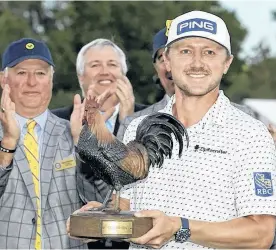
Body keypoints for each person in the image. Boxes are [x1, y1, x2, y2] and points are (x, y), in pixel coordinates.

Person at [113, 11, 276, 249]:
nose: (197, 63)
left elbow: (261, 233)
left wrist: (180, 226)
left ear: (227, 63)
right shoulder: (138, 127)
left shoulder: (251, 135)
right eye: (185, 51)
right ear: (167, 61)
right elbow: (126, 206)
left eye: (209, 52)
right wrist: (101, 214)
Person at [0, 38, 101, 249]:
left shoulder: (73, 131)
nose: (31, 82)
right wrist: (8, 143)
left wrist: (82, 146)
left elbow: (100, 200)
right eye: (21, 73)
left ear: (51, 79)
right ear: (3, 80)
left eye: (40, 73)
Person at [52, 38, 147, 136]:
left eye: (112, 64)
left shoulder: (150, 118)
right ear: (81, 77)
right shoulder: (55, 122)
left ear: (123, 74)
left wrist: (128, 124)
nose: (105, 72)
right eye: (95, 65)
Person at [117, 27, 174, 141]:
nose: (170, 66)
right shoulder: (136, 123)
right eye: (163, 59)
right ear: (155, 70)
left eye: (182, 55)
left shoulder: (219, 116)